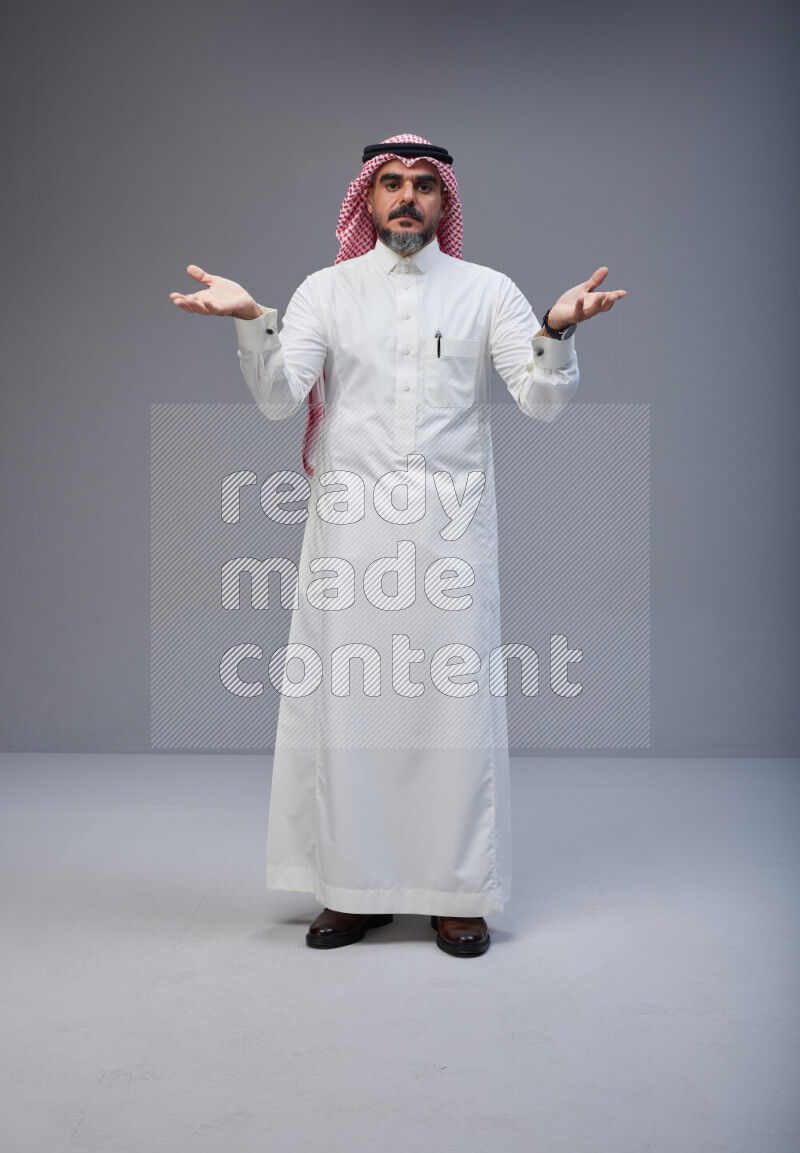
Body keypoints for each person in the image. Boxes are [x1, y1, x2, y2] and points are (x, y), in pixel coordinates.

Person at [171, 134, 625, 957]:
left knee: (454, 717)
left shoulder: (488, 293)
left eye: (423, 185)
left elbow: (542, 401)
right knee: (349, 712)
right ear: (367, 201)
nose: (407, 197)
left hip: (453, 540)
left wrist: (558, 330)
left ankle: (457, 894)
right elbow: (280, 398)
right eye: (391, 184)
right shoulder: (325, 291)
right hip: (351, 540)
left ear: (445, 203)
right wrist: (248, 319)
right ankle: (351, 892)